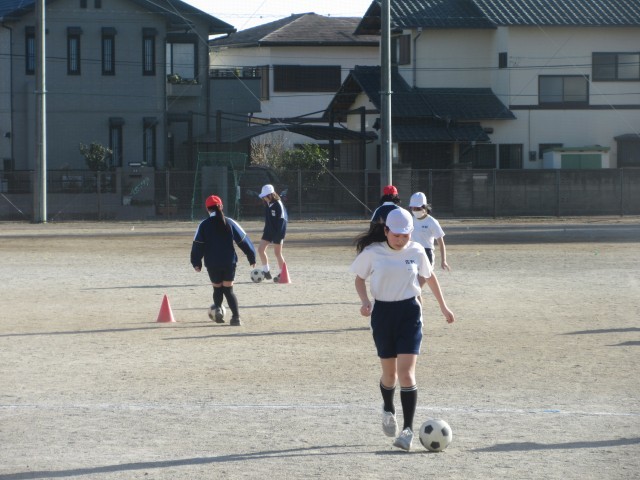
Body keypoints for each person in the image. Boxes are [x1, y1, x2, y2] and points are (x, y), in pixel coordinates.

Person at [350, 208, 455, 451]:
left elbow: (429, 277)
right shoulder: (373, 252)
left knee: (406, 374)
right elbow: (359, 278)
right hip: (383, 315)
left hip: (410, 313)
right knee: (390, 376)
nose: (401, 240)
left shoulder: (416, 251)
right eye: (396, 235)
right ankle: (388, 407)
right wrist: (365, 301)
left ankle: (407, 431)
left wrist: (444, 307)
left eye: (405, 235)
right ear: (386, 231)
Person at [191, 195, 256, 326]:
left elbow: (198, 244)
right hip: (229, 262)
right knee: (229, 290)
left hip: (212, 263)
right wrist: (251, 256)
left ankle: (218, 313)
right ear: (221, 206)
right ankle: (236, 318)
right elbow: (243, 240)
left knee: (217, 289)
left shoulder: (203, 225)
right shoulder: (230, 222)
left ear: (207, 209)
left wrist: (196, 262)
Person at [408, 192, 451, 271]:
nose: (415, 211)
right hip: (412, 252)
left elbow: (441, 243)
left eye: (418, 208)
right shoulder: (410, 220)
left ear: (424, 207)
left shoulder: (432, 222)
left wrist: (443, 260)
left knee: (426, 276)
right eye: (413, 208)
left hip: (426, 253)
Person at [257, 184, 288, 283]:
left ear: (271, 195)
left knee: (277, 253)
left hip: (278, 232)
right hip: (268, 231)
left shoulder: (278, 204)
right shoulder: (267, 204)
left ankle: (282, 274)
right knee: (260, 249)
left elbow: (283, 220)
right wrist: (266, 230)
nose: (263, 198)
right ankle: (266, 271)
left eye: (265, 196)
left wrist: (279, 234)